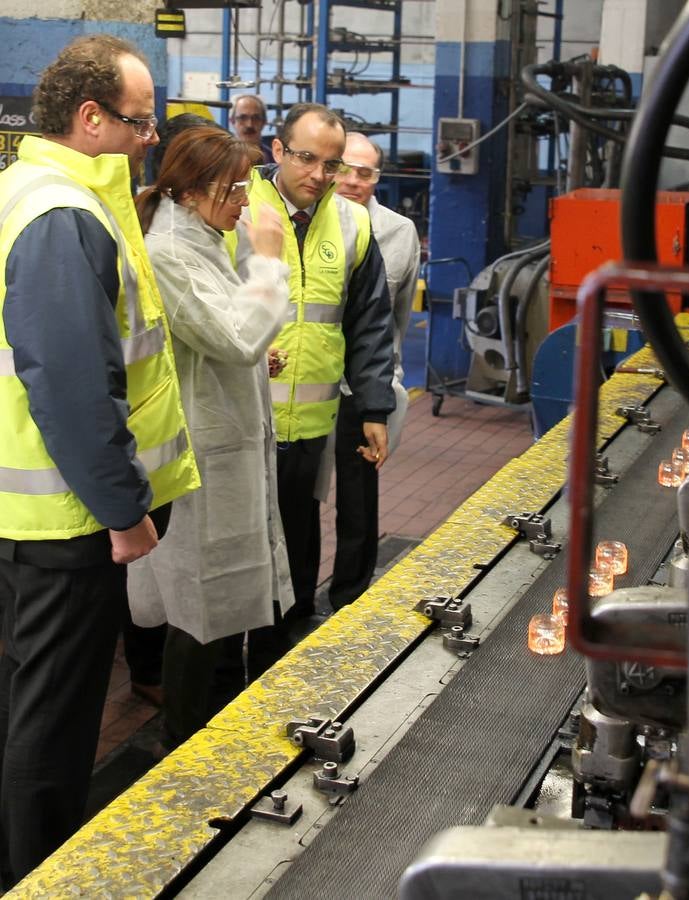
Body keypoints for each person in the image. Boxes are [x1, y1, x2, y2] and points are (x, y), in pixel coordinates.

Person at [0, 34, 200, 886]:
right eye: (140, 121)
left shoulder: (23, 189)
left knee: (20, 708)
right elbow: (76, 387)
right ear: (90, 119)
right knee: (53, 725)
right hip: (62, 520)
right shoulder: (64, 217)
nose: (151, 137)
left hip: (25, 510)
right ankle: (44, 876)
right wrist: (124, 510)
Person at [128, 126, 294, 750]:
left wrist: (255, 359)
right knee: (197, 608)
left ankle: (207, 729)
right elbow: (232, 336)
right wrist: (270, 261)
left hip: (220, 437)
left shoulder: (201, 236)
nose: (245, 203)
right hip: (200, 451)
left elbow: (222, 338)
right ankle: (181, 743)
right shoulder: (170, 250)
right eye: (235, 189)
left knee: (217, 603)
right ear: (193, 189)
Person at [248, 103, 396, 619]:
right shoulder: (238, 207)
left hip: (311, 424)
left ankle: (282, 647)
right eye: (306, 159)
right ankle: (224, 673)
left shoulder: (352, 222)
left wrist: (375, 408)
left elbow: (370, 323)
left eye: (330, 164)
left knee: (299, 537)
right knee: (239, 545)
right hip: (244, 419)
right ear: (278, 150)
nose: (319, 175)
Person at [326, 133, 421, 608]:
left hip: (363, 388)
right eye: (343, 168)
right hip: (309, 384)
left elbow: (397, 317)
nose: (352, 181)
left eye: (365, 172)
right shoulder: (313, 221)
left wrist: (383, 385)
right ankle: (295, 602)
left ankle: (350, 600)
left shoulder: (400, 233)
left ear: (377, 178)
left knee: (359, 501)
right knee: (297, 496)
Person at [231, 94, 274, 165]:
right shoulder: (221, 159)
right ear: (232, 121)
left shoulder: (274, 160)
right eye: (243, 117)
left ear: (264, 121)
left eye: (256, 118)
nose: (249, 124)